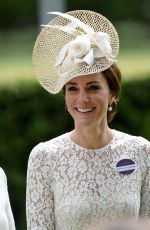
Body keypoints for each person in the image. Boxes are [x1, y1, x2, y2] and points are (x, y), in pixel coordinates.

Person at [26, 10, 150, 229]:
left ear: (112, 93)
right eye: (72, 89)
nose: (82, 99)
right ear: (65, 96)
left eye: (93, 87)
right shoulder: (44, 157)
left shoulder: (142, 151)